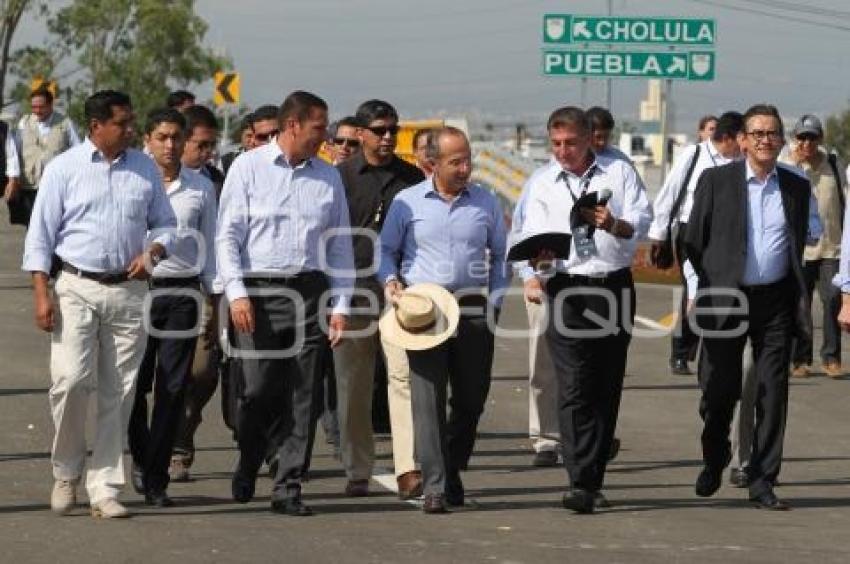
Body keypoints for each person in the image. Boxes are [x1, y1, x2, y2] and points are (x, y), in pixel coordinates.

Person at [22, 90, 177, 519]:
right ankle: (66, 471)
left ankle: (104, 486)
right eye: (123, 123)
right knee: (70, 379)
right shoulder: (64, 169)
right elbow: (40, 237)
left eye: (131, 123)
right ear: (96, 127)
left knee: (122, 389)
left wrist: (153, 253)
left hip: (129, 291)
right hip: (75, 285)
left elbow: (165, 222)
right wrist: (41, 293)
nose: (131, 130)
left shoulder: (144, 168)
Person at [217, 90, 354, 516]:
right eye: (318, 128)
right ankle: (250, 455)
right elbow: (227, 236)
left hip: (310, 292)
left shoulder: (328, 177)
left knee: (303, 393)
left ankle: (288, 485)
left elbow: (340, 247)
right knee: (256, 391)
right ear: (293, 125)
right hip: (258, 294)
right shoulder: (248, 168)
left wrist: (341, 304)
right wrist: (236, 292)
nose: (325, 136)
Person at [514, 106, 651, 514]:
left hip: (611, 286)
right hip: (566, 287)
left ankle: (593, 477)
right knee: (574, 384)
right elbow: (524, 235)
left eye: (570, 143)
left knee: (604, 386)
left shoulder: (619, 172)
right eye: (555, 144)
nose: (562, 151)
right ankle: (579, 479)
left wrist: (613, 224)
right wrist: (535, 267)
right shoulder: (541, 182)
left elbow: (642, 222)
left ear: (590, 138)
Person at [684, 104, 814, 511]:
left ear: (781, 140)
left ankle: (762, 478)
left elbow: (802, 241)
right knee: (719, 390)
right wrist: (702, 286)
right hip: (726, 298)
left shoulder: (795, 186)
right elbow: (693, 241)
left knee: (772, 391)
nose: (764, 139)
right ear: (741, 140)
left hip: (774, 300)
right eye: (756, 132)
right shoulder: (715, 180)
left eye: (772, 133)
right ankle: (714, 455)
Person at [379, 126, 509, 513]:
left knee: (471, 399)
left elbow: (501, 257)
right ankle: (435, 485)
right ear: (432, 164)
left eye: (468, 159)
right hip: (424, 310)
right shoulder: (408, 202)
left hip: (471, 308)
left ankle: (451, 467)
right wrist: (390, 281)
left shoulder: (485, 202)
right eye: (456, 162)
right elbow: (385, 250)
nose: (465, 168)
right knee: (426, 401)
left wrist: (495, 303)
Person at [127, 108, 217, 508]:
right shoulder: (132, 181)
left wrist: (216, 301)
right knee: (133, 385)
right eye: (161, 137)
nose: (169, 145)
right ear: (147, 138)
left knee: (174, 386)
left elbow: (211, 247)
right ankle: (142, 455)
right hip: (136, 291)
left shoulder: (201, 187)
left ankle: (157, 475)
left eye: (176, 137)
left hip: (183, 294)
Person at [335, 99, 424, 498]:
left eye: (393, 129)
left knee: (403, 380)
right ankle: (357, 467)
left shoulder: (412, 178)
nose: (388, 137)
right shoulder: (340, 178)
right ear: (361, 133)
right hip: (352, 295)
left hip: (400, 295)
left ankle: (408, 467)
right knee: (353, 387)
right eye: (379, 130)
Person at [649, 111, 745, 375]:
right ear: (727, 138)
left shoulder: (740, 160)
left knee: (718, 292)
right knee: (694, 289)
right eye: (741, 138)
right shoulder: (694, 156)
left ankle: (714, 352)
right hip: (690, 232)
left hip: (725, 234)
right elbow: (669, 193)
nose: (743, 145)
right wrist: (659, 235)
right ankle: (681, 352)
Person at [168, 103, 228, 481]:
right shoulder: (146, 177)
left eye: (211, 145)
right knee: (165, 378)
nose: (207, 153)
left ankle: (183, 432)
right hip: (152, 290)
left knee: (204, 372)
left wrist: (219, 295)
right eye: (201, 145)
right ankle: (168, 448)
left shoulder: (216, 183)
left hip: (203, 288)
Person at [781, 114, 847, 378]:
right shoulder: (786, 164)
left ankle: (831, 357)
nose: (807, 143)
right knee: (800, 303)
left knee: (832, 299)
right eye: (802, 137)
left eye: (812, 137)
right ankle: (800, 358)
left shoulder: (833, 163)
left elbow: (846, 197)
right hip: (801, 248)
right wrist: (795, 165)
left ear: (820, 139)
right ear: (795, 139)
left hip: (832, 246)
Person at [6, 87, 79, 226]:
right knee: (32, 226)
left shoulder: (66, 123)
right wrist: (13, 180)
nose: (37, 111)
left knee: (55, 226)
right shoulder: (24, 123)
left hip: (56, 187)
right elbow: (14, 153)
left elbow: (77, 151)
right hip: (29, 187)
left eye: (41, 107)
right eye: (34, 107)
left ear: (51, 105)